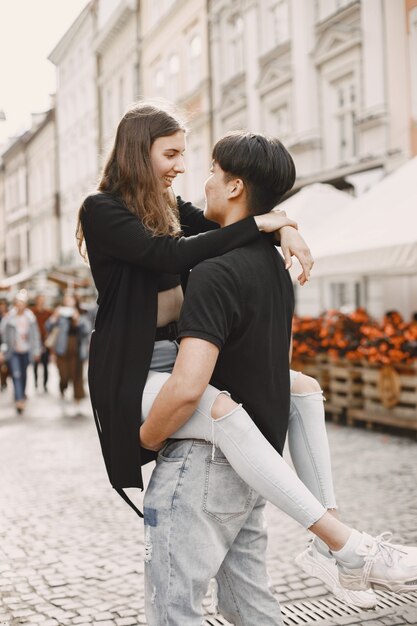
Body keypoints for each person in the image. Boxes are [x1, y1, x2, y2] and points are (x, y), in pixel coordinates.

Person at [139, 131, 417, 623]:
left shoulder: (212, 270)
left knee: (173, 610)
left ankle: (341, 546)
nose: (204, 183)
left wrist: (145, 439)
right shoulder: (274, 263)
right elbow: (267, 367)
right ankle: (336, 544)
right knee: (253, 608)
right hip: (251, 465)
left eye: (212, 172)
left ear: (234, 187)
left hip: (202, 465)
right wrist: (283, 226)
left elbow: (187, 386)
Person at [77, 101, 310, 513]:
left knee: (303, 390)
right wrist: (263, 224)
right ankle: (326, 529)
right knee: (225, 413)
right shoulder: (102, 209)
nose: (181, 166)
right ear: (137, 152)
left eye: (183, 153)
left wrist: (286, 227)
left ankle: (326, 517)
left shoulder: (169, 204)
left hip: (188, 354)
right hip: (139, 361)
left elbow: (220, 229)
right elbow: (167, 255)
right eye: (171, 153)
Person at [45, 293, 91, 412]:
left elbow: (87, 329)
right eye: (66, 300)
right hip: (62, 349)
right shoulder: (60, 314)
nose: (68, 302)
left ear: (75, 301)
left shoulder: (81, 313)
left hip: (77, 349)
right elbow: (48, 327)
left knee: (77, 375)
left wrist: (77, 318)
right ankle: (62, 387)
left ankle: (77, 397)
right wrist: (54, 317)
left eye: (70, 300)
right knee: (64, 374)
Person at [0, 290, 41, 414]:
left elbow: (35, 336)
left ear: (25, 304)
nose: (20, 305)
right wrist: (2, 350)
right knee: (16, 375)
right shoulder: (9, 318)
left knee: (23, 375)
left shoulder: (30, 317)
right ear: (15, 303)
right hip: (14, 352)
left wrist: (36, 350)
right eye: (18, 302)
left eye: (22, 303)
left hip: (26, 351)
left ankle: (21, 394)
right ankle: (19, 400)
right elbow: (3, 335)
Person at [31, 294, 52, 392]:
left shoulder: (48, 312)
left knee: (45, 365)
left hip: (45, 342)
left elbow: (52, 326)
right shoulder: (32, 312)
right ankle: (35, 383)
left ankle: (45, 384)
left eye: (43, 300)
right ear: (36, 301)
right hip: (35, 343)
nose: (41, 302)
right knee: (35, 364)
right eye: (40, 299)